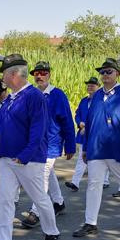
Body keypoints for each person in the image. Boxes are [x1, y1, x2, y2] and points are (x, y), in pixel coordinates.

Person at [0, 53, 60, 240]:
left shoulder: (34, 96)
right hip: (7, 157)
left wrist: (25, 155)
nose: (2, 78)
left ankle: (52, 232)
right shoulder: (11, 98)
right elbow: (8, 125)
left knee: (39, 198)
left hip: (28, 159)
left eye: (4, 74)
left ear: (14, 74)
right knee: (5, 201)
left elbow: (38, 129)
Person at [72, 58, 120, 238]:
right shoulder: (96, 95)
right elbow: (89, 122)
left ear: (117, 73)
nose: (104, 75)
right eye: (102, 72)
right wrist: (86, 147)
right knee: (93, 184)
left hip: (117, 148)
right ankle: (90, 223)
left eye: (108, 71)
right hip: (97, 148)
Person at [21, 61, 76, 228]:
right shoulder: (30, 94)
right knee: (48, 173)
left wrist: (70, 145)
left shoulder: (57, 95)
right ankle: (58, 202)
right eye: (36, 74)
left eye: (43, 73)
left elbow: (67, 121)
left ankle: (36, 212)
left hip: (52, 143)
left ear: (49, 75)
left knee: (41, 176)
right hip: (35, 143)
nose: (40, 76)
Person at [65, 77, 110, 192]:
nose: (90, 87)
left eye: (92, 85)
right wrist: (80, 123)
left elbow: (104, 117)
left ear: (98, 87)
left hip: (97, 135)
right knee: (81, 159)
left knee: (102, 158)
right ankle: (75, 183)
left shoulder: (102, 101)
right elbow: (78, 114)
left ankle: (105, 180)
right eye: (88, 85)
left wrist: (89, 128)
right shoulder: (84, 101)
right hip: (83, 134)